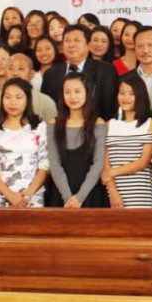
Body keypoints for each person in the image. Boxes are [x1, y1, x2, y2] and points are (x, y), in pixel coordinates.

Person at [0, 78, 49, 208]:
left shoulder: (39, 126)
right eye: (8, 97)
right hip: (0, 197)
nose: (13, 102)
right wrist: (10, 195)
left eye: (18, 97)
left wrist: (27, 195)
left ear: (27, 100)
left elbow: (44, 165)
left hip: (32, 197)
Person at [46, 72, 108, 208]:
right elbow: (54, 163)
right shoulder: (53, 124)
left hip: (90, 193)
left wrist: (80, 197)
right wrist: (68, 197)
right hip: (60, 195)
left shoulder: (98, 123)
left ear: (87, 92)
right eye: (67, 92)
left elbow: (98, 164)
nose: (72, 97)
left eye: (77, 91)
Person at [102, 73, 152, 208]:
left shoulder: (150, 123)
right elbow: (106, 165)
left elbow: (144, 161)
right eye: (122, 93)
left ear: (140, 96)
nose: (125, 98)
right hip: (114, 193)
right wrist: (113, 192)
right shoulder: (109, 125)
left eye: (131, 93)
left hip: (141, 193)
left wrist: (111, 173)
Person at [41, 25, 118, 121]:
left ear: (89, 45)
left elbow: (109, 110)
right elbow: (46, 109)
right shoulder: (50, 74)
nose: (71, 45)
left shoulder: (105, 71)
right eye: (67, 40)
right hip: (58, 130)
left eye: (77, 40)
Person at [0, 53, 56, 122]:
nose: (15, 73)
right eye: (10, 68)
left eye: (21, 69)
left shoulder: (46, 103)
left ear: (32, 74)